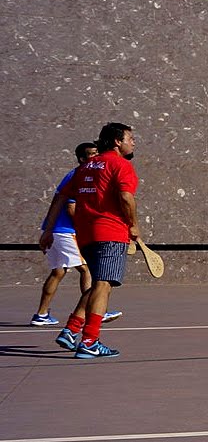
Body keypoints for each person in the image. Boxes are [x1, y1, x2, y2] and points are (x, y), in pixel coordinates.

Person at [40, 122, 141, 359]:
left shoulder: (85, 167)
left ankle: (71, 330)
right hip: (110, 233)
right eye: (130, 138)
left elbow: (61, 197)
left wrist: (48, 230)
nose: (133, 143)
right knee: (103, 285)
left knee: (98, 283)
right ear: (117, 141)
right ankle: (89, 341)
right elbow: (126, 197)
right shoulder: (120, 165)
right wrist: (134, 224)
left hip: (85, 235)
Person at [31, 142, 122, 327]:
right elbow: (71, 208)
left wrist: (48, 230)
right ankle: (96, 311)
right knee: (87, 269)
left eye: (97, 153)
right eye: (91, 154)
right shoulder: (81, 175)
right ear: (81, 159)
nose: (95, 157)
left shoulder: (77, 174)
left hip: (54, 230)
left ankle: (41, 314)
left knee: (58, 272)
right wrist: (87, 228)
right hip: (65, 231)